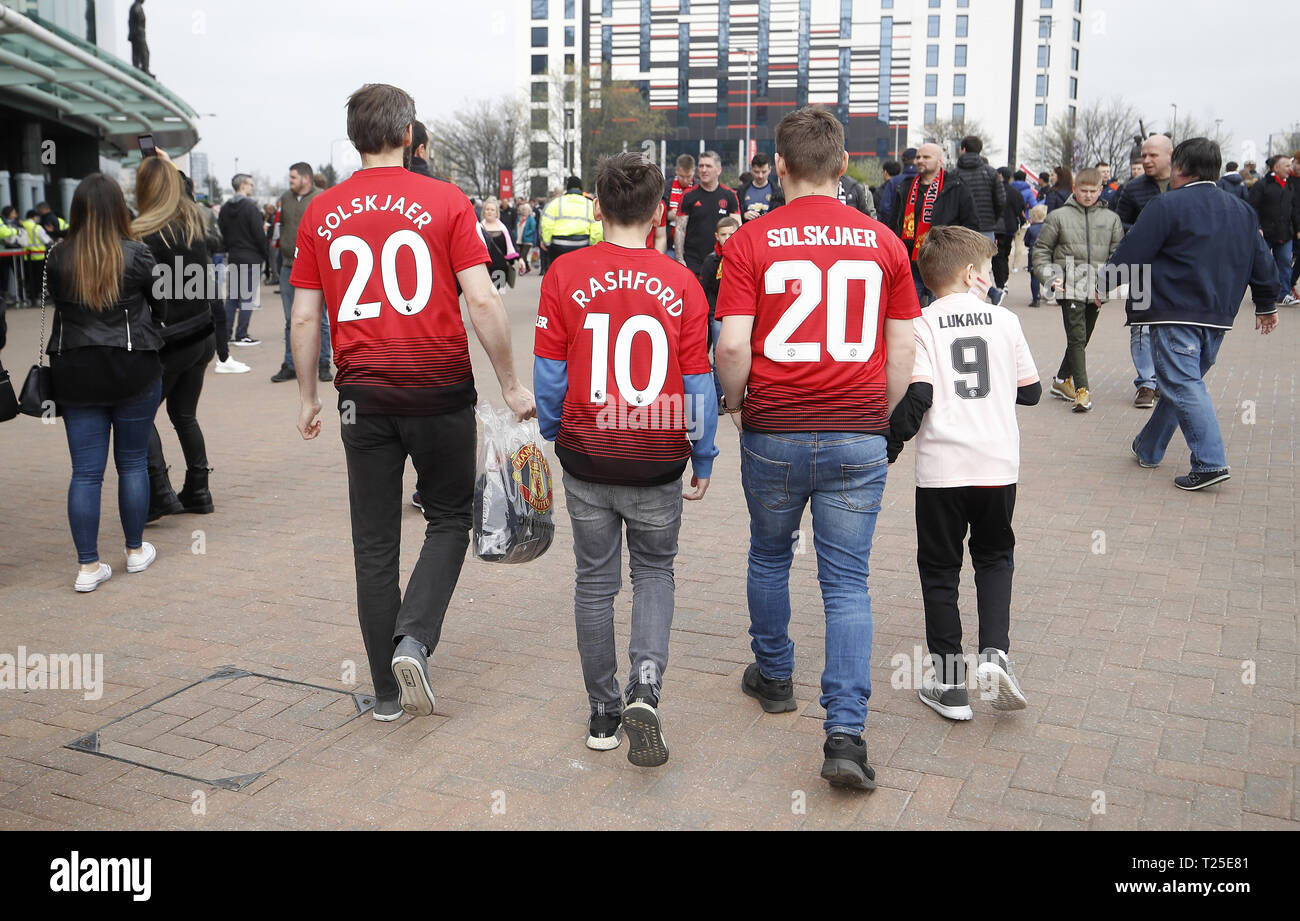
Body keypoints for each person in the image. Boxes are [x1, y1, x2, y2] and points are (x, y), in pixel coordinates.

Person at [289, 83, 535, 722]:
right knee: (450, 516)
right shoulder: (446, 201)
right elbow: (482, 299)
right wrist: (509, 382)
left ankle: (384, 692)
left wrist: (310, 395)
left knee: (372, 542)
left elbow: (304, 316)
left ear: (354, 139)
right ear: (408, 136)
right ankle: (415, 637)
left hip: (360, 395)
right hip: (439, 387)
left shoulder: (321, 211)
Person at [716, 106, 919, 792]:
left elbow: (734, 343)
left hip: (774, 425)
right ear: (842, 170)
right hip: (857, 430)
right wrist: (878, 418)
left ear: (778, 168)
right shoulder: (884, 243)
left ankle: (774, 674)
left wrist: (737, 402)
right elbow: (903, 350)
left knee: (770, 554)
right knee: (847, 582)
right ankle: (845, 730)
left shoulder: (750, 241)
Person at [533, 151, 717, 764]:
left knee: (594, 582)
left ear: (597, 210)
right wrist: (705, 450)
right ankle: (646, 682)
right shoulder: (683, 282)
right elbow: (698, 381)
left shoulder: (563, 275)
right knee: (655, 572)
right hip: (658, 453)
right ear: (661, 211)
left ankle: (604, 710)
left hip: (588, 452)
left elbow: (551, 372)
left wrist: (559, 430)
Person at [885, 226, 1041, 721]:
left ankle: (950, 683)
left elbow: (921, 394)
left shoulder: (922, 322)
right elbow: (1032, 391)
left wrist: (887, 445)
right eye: (989, 269)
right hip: (997, 463)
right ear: (973, 275)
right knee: (995, 556)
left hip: (942, 470)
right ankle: (995, 653)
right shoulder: (1005, 320)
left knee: (940, 570)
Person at [1101, 138, 1279, 490]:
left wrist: (1104, 282)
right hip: (1218, 315)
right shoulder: (1242, 210)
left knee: (1182, 384)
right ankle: (1148, 447)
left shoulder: (1166, 205)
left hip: (1173, 309)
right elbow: (1261, 258)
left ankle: (1210, 462)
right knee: (1180, 384)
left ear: (1180, 167)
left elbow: (1134, 249)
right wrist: (1266, 303)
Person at [46, 174, 164, 592]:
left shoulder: (57, 257)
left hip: (75, 369)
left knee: (85, 473)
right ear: (120, 208)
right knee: (132, 462)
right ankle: (134, 552)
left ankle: (87, 566)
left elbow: (53, 302)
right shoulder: (138, 255)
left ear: (76, 211)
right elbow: (160, 303)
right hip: (133, 365)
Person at [131, 153, 220, 522]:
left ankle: (160, 489)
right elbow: (186, 199)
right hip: (202, 334)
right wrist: (173, 171)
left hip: (169, 342)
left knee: (138, 414)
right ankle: (198, 488)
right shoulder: (195, 224)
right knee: (184, 414)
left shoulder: (142, 234)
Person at [1032, 167, 1124, 413]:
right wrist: (1051, 278)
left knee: (1082, 338)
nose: (1088, 195)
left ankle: (1062, 381)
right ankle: (1082, 390)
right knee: (1077, 337)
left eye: (1093, 191)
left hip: (1097, 288)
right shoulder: (1059, 216)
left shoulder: (1111, 219)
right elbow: (1041, 251)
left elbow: (1118, 255)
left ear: (1100, 190)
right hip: (1069, 285)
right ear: (1074, 189)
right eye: (1083, 190)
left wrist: (1107, 285)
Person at [1116, 134, 1173, 408]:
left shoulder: (1182, 187)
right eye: (1143, 156)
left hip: (1176, 271)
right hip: (1141, 269)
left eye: (1152, 156)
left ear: (1170, 155)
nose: (1146, 161)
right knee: (1141, 327)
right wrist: (1143, 234)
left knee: (1172, 326)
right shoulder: (1133, 189)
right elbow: (1121, 225)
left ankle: (1166, 380)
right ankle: (1147, 383)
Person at [888, 142, 979, 305]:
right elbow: (895, 221)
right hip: (910, 261)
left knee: (940, 309)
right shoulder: (906, 187)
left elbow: (970, 223)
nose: (920, 161)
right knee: (909, 309)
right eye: (918, 157)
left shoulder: (955, 187)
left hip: (942, 261)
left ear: (939, 161)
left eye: (926, 157)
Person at [271, 162, 331, 383]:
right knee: (290, 319)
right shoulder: (286, 198)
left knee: (320, 319)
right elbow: (284, 226)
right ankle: (290, 364)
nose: (290, 182)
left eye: (293, 178)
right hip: (288, 264)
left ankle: (324, 363)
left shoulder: (322, 198)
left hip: (316, 267)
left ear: (306, 178)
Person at [217, 173, 268, 347]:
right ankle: (242, 334)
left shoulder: (224, 208)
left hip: (234, 256)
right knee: (247, 297)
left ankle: (226, 334)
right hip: (251, 256)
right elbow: (259, 234)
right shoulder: (250, 208)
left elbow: (222, 230)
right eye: (251, 185)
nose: (252, 188)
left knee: (232, 297)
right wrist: (265, 254)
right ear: (244, 185)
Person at [677, 151, 741, 275]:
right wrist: (680, 259)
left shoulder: (729, 195)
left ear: (718, 170)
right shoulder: (688, 196)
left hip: (721, 260)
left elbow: (738, 229)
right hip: (693, 260)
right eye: (701, 166)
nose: (704, 170)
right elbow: (680, 229)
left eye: (708, 166)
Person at [1248, 154, 1300, 308]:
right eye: (1286, 166)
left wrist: (1298, 228)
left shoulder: (1290, 186)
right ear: (1276, 168)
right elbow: (1252, 208)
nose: (1289, 169)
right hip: (1266, 233)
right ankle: (1260, 293)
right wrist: (1257, 227)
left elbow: (1294, 210)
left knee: (1284, 262)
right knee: (1262, 265)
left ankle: (1283, 294)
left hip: (1285, 233)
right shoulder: (1262, 185)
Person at [698, 214, 738, 401]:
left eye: (732, 233)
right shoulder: (711, 261)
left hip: (740, 313)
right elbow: (703, 290)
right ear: (716, 237)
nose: (728, 238)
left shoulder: (745, 258)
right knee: (718, 356)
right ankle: (721, 397)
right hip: (716, 313)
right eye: (724, 234)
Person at [953, 136, 1008, 251]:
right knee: (984, 264)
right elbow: (1001, 200)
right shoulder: (991, 173)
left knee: (961, 265)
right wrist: (993, 218)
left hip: (960, 228)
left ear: (963, 149)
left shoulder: (954, 174)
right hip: (986, 226)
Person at [540, 176, 602, 269]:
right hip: (582, 244)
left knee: (558, 273)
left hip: (558, 245)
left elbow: (546, 225)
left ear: (567, 188)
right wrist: (593, 245)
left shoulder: (555, 203)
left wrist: (547, 243)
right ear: (581, 188)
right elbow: (597, 228)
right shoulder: (589, 204)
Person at [992, 167, 1025, 300]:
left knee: (997, 256)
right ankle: (1004, 281)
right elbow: (1020, 209)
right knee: (1005, 255)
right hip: (1010, 228)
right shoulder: (1016, 192)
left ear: (1000, 175)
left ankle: (1000, 284)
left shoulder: (994, 191)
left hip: (997, 228)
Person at [480, 198, 522, 288]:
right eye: (487, 209)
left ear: (496, 213)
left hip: (500, 269)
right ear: (483, 212)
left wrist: (520, 259)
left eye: (492, 210)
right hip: (483, 269)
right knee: (484, 297)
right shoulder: (478, 229)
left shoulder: (504, 229)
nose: (489, 212)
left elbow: (512, 246)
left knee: (497, 296)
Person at [665, 153, 696, 252]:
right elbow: (656, 212)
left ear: (694, 172)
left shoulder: (699, 187)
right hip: (669, 241)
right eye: (682, 176)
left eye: (689, 176)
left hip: (692, 241)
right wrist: (668, 214)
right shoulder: (666, 187)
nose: (685, 180)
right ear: (676, 171)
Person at [879, 147, 918, 227]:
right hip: (921, 232)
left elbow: (885, 208)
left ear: (903, 162)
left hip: (897, 230)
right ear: (916, 161)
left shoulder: (893, 182)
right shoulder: (925, 180)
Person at [738, 153, 781, 223]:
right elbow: (735, 214)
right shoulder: (741, 191)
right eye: (756, 172)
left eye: (764, 172)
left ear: (770, 170)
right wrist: (743, 215)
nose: (760, 176)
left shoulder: (777, 192)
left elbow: (780, 215)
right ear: (751, 169)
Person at [21, 209, 52, 306]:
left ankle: (30, 297)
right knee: (40, 278)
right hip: (39, 256)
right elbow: (46, 240)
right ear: (34, 217)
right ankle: (39, 298)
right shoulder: (37, 227)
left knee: (29, 278)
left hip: (26, 257)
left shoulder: (22, 226)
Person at [1023, 204, 1047, 306]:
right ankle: (1050, 295)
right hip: (1046, 254)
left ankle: (1035, 298)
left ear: (1035, 217)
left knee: (1034, 277)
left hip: (1034, 254)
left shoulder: (1031, 229)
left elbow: (1026, 242)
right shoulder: (1048, 227)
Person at [128, 0, 152, 76]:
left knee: (139, 54)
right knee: (144, 53)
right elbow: (136, 19)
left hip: (138, 34)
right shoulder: (136, 7)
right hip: (138, 34)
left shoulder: (136, 6)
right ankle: (144, 70)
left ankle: (140, 70)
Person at [515, 202, 537, 273]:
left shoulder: (531, 219)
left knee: (523, 255)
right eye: (524, 210)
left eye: (526, 210)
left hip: (527, 240)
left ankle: (522, 269)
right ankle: (527, 267)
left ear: (529, 211)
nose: (524, 211)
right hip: (519, 239)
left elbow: (533, 229)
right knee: (520, 255)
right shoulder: (519, 218)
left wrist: (526, 234)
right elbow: (516, 227)